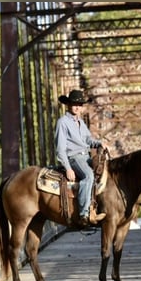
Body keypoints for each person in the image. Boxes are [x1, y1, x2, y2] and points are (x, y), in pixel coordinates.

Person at [55, 89, 107, 226]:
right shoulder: (63, 122)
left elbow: (88, 139)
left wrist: (99, 143)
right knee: (88, 176)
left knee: (104, 171)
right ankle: (84, 214)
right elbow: (60, 149)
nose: (77, 107)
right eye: (74, 104)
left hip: (86, 156)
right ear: (68, 105)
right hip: (74, 158)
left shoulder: (81, 122)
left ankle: (98, 207)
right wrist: (68, 168)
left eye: (79, 105)